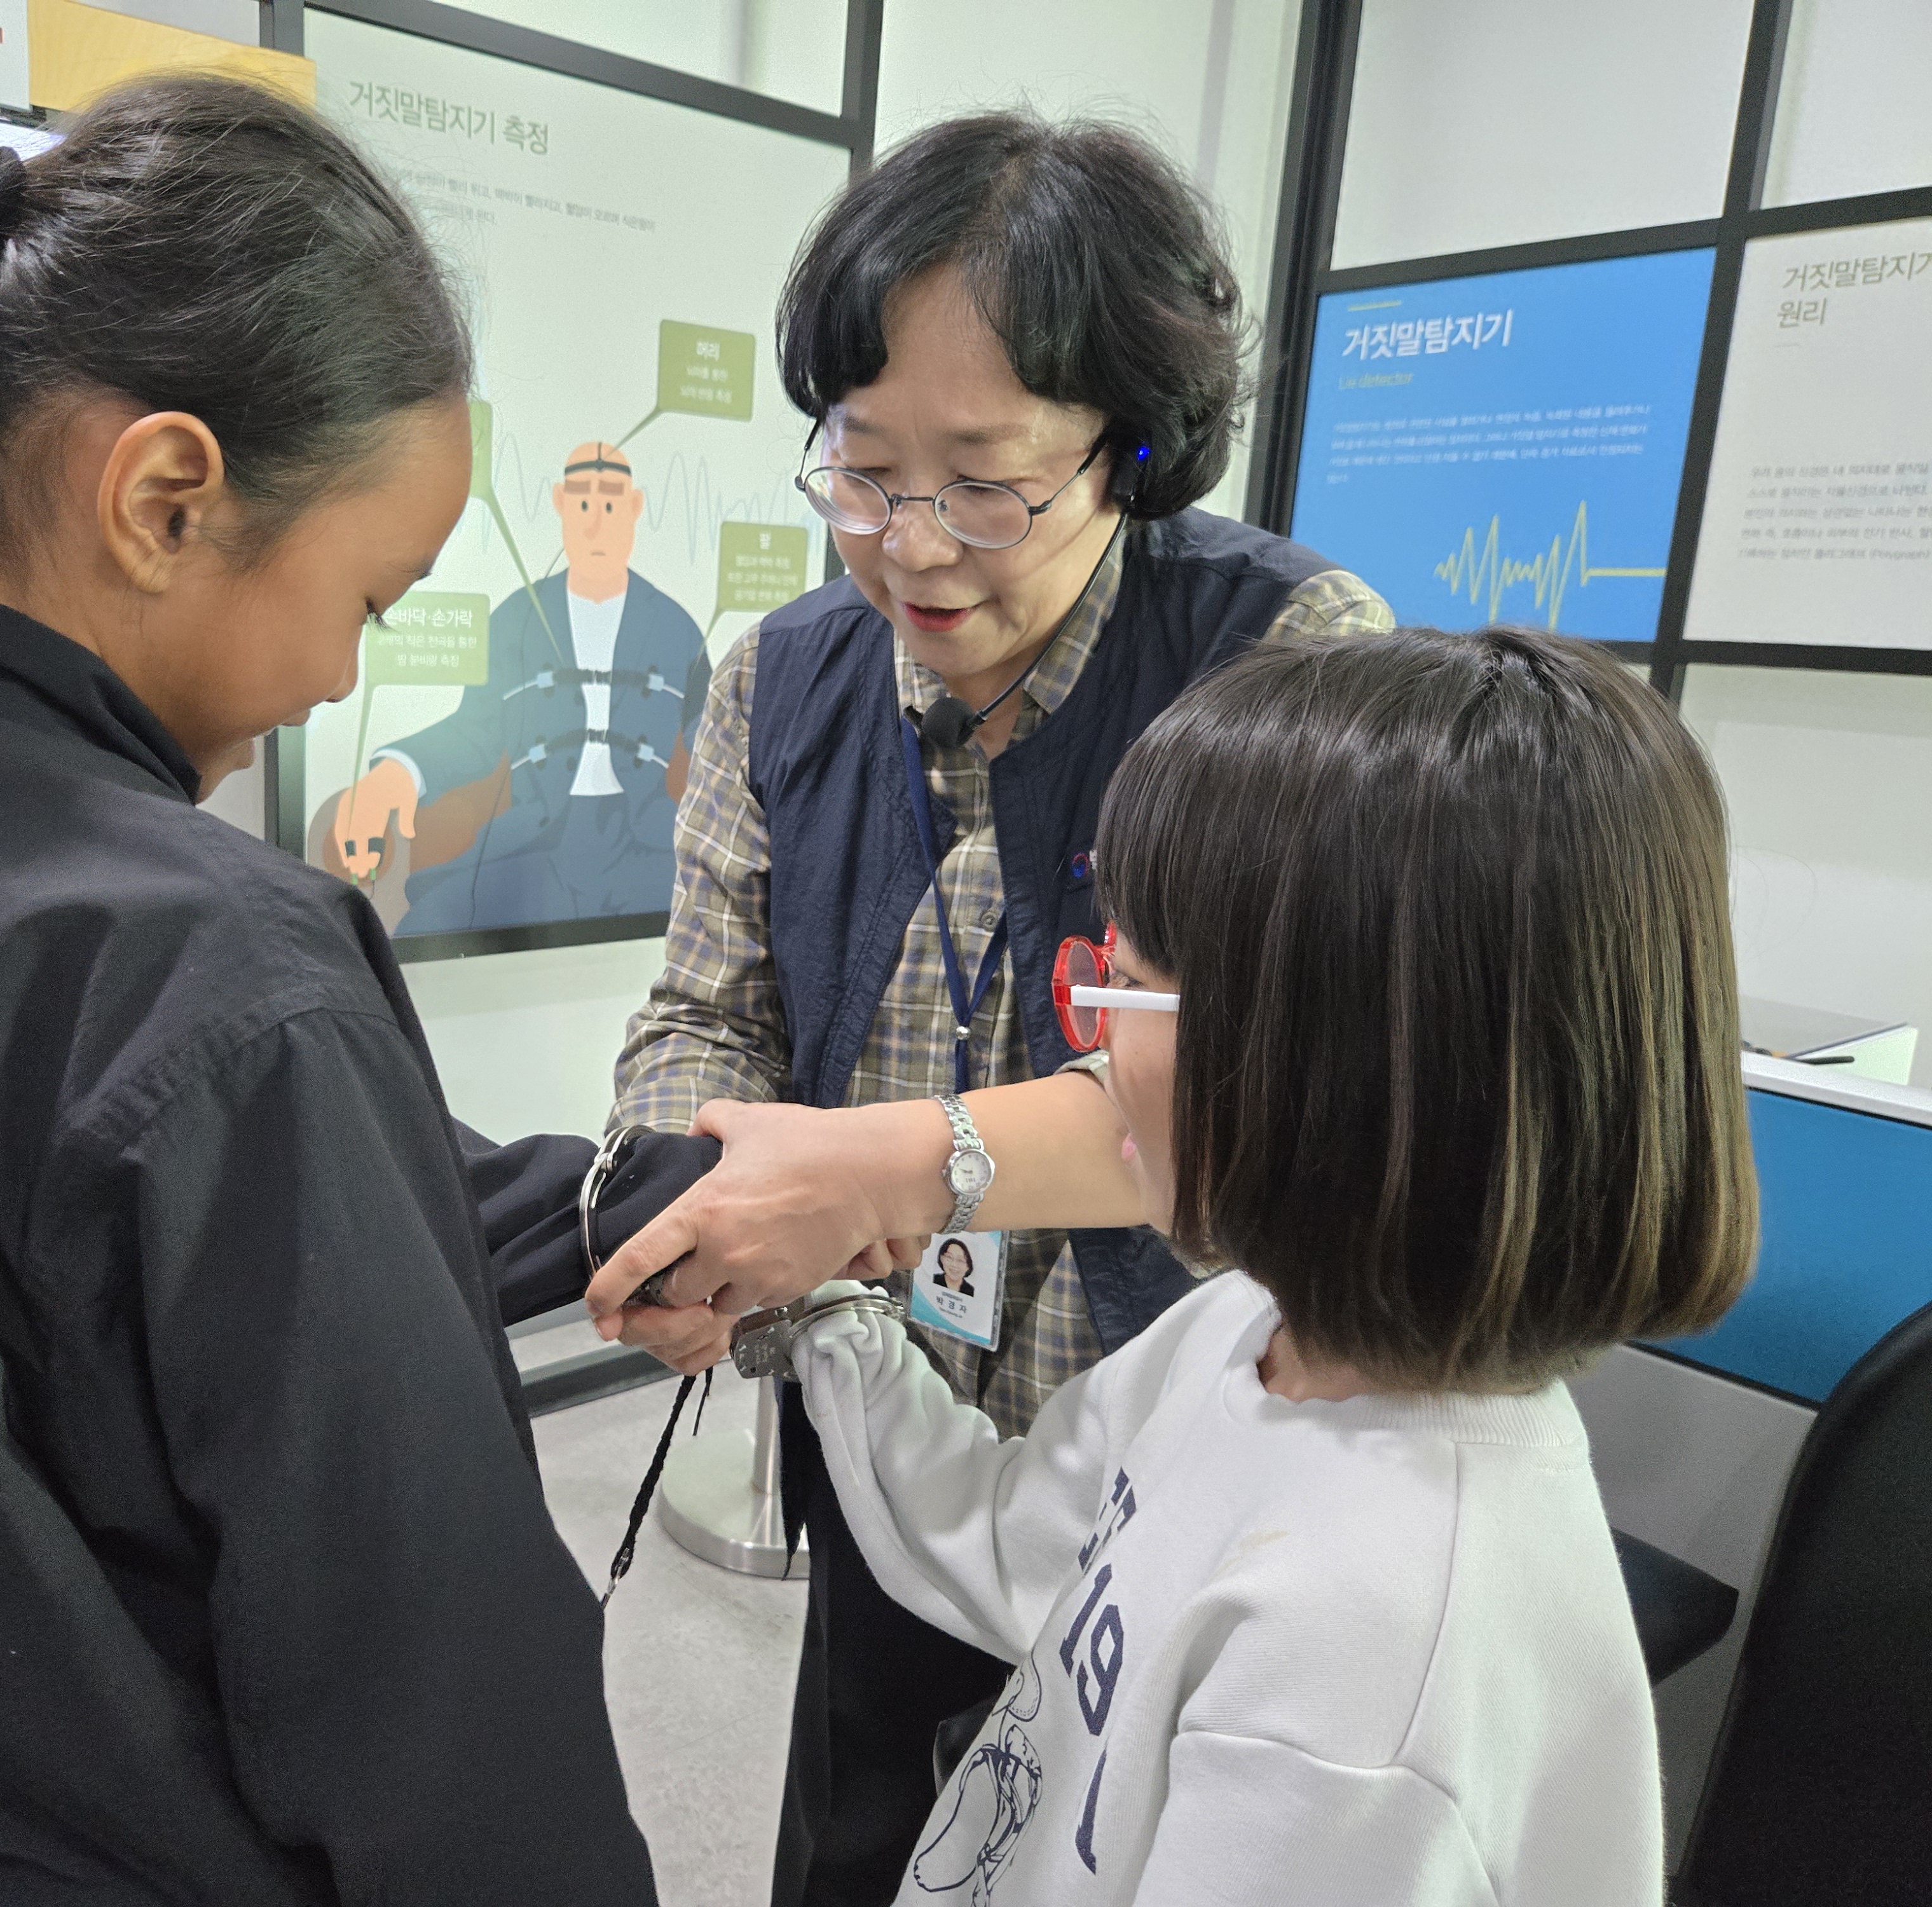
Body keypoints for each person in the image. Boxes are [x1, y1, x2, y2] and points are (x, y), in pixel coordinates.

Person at [0, 84, 736, 1905]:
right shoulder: (223, 954)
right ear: (164, 499)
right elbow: (428, 1673)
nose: (340, 677)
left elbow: (190, 1223)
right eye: (369, 599)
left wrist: (670, 1188)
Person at [605, 624, 1757, 1903]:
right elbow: (1020, 1539)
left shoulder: (1359, 1685)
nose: (1089, 1049)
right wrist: (827, 1306)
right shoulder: (1248, 1333)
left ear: (1333, 1061)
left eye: (1123, 989)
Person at [603, 111, 1393, 1903]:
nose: (913, 547)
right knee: (864, 1833)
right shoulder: (777, 682)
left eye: (986, 483)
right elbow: (702, 1015)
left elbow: (1270, 1094)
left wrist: (890, 1167)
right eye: (863, 469)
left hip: (1179, 1461)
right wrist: (688, 1199)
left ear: (1130, 448)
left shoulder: (1281, 664)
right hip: (882, 1421)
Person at [329, 439, 709, 933]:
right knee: (424, 925)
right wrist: (396, 773)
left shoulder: (676, 626)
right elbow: (475, 731)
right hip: (535, 842)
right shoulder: (516, 619)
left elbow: (713, 733)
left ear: (635, 508)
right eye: (584, 505)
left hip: (644, 844)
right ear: (560, 504)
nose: (597, 525)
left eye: (612, 506)